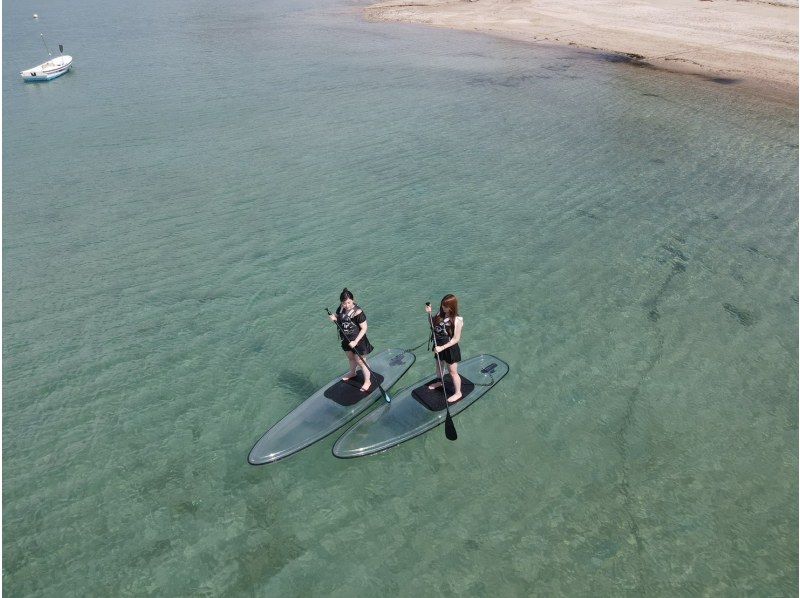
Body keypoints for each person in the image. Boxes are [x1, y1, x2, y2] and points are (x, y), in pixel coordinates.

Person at [329, 288, 374, 392]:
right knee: (350, 357)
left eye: (349, 302)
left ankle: (368, 381)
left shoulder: (358, 312)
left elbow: (364, 328)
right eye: (344, 303)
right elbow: (338, 317)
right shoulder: (341, 308)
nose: (347, 305)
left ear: (353, 300)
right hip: (346, 339)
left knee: (361, 362)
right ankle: (352, 373)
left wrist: (355, 341)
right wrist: (333, 318)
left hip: (359, 341)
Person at [425, 294, 464, 403]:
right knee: (439, 364)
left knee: (452, 372)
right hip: (438, 346)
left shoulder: (457, 320)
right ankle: (440, 382)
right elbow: (432, 325)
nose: (443, 307)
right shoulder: (440, 314)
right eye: (442, 305)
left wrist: (442, 348)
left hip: (450, 348)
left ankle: (458, 393)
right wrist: (429, 313)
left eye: (445, 306)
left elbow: (456, 339)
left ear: (452, 306)